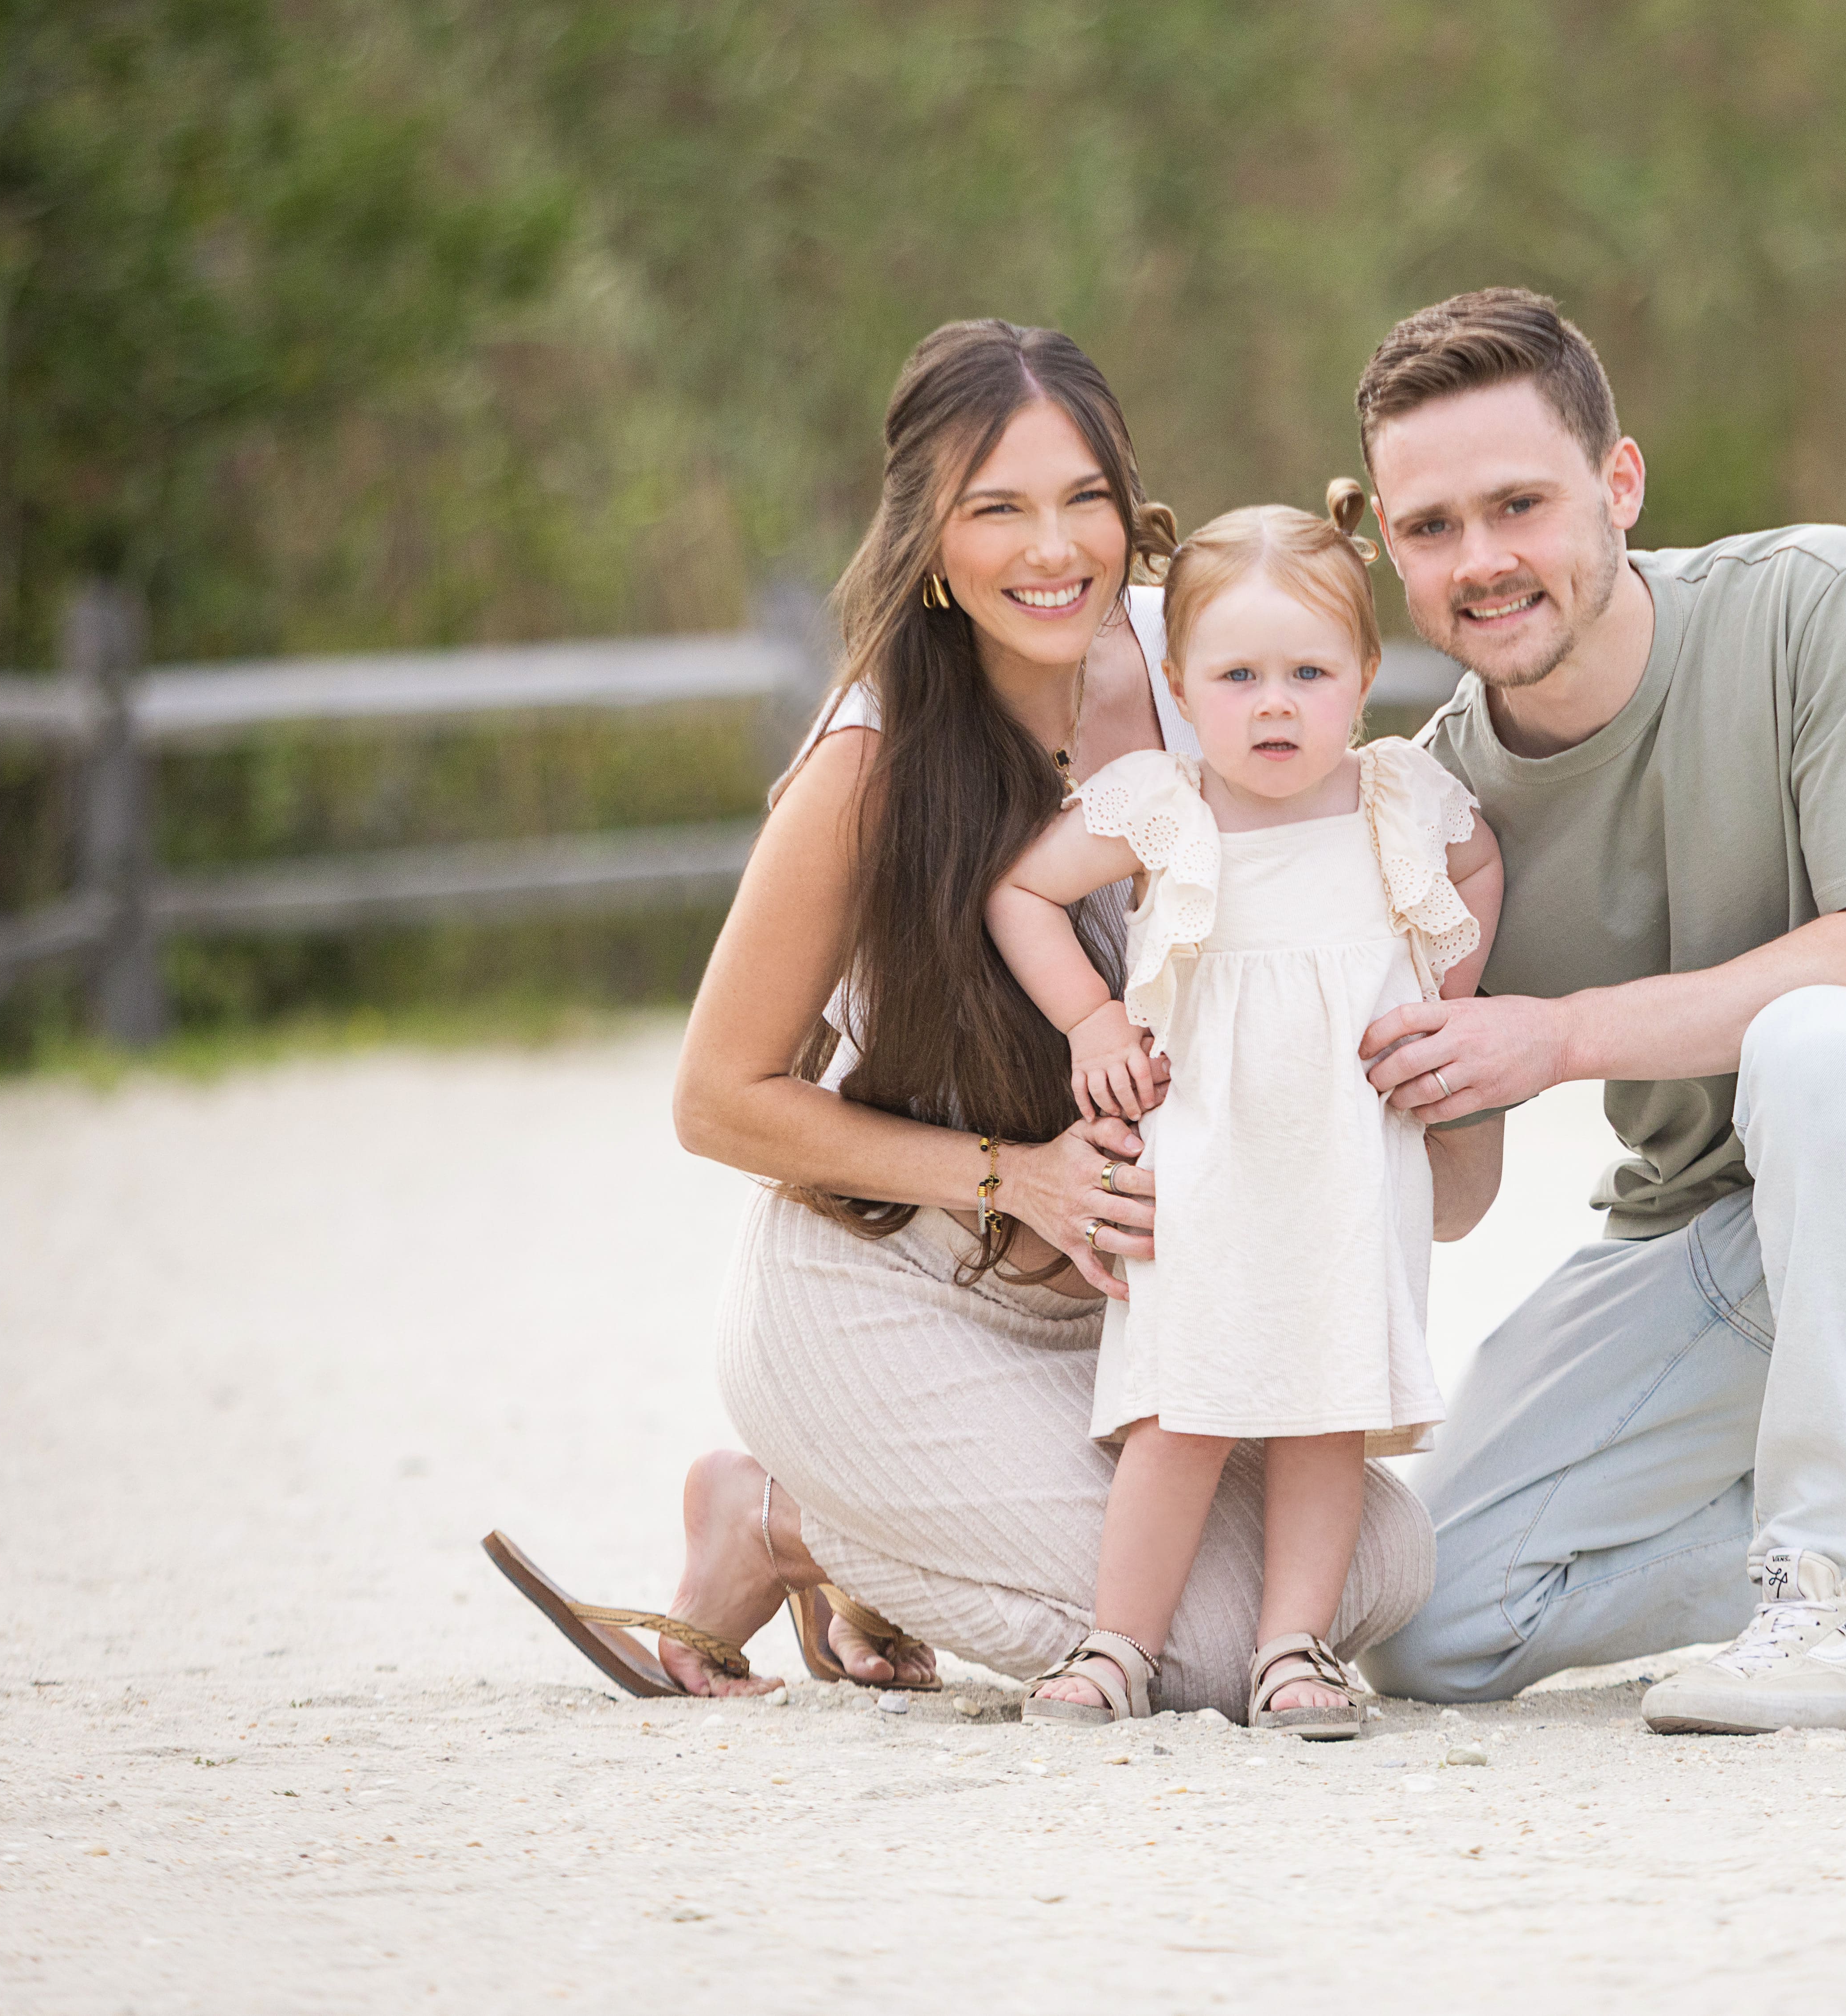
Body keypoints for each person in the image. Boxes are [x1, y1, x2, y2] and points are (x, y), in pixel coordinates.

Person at [483, 320, 1433, 1715]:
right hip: (898, 1290)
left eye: (1083, 498)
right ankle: (778, 1517)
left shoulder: (1219, 665)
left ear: (1130, 503)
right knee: (1204, 1655)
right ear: (930, 537)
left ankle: (862, 1530)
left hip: (1143, 1311)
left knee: (1386, 1570)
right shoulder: (875, 759)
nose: (1053, 549)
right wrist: (1021, 1177)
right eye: (998, 510)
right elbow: (717, 1098)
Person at [1347, 289, 1846, 1735]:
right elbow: (1455, 1201)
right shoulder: (1432, 811)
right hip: (1715, 1237)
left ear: (1621, 483)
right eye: (1432, 527)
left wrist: (1559, 1036)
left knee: (1822, 1037)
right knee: (1425, 1618)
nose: (1482, 560)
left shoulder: (1816, 602)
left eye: (1520, 504)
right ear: (1390, 545)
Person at [988, 489, 1503, 1735]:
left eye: (1310, 673)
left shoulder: (1397, 797)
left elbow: (1482, 864)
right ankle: (1118, 1645)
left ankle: (1294, 1649)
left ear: (1365, 675)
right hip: (1207, 1163)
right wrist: (1093, 1023)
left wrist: (1449, 1002)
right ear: (1179, 683)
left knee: (1329, 1409)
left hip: (1349, 1163)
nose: (1276, 705)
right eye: (1238, 677)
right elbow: (1020, 895)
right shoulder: (1169, 804)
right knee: (1182, 1409)